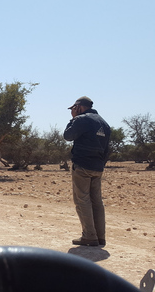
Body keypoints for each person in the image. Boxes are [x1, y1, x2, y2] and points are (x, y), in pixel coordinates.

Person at [63, 96, 111, 246]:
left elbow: (67, 136)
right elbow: (107, 149)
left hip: (82, 166)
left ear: (79, 106)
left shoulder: (81, 119)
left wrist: (73, 118)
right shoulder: (104, 123)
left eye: (74, 108)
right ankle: (100, 236)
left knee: (82, 200)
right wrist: (100, 164)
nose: (73, 111)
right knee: (97, 201)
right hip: (97, 167)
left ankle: (89, 236)